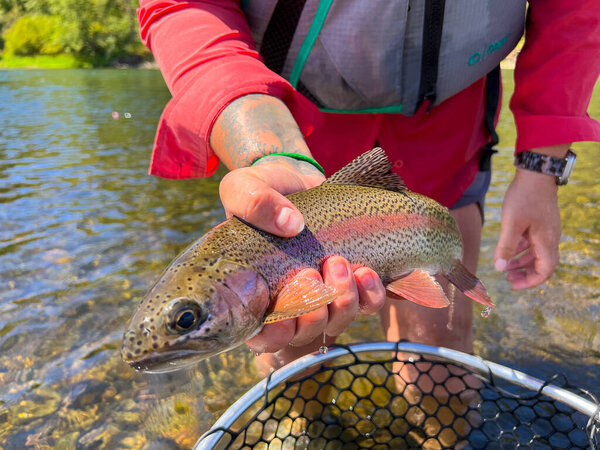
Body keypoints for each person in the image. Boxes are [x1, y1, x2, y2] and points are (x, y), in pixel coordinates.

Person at [136, 0, 600, 374]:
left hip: (445, 135)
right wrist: (265, 148)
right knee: (291, 362)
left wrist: (542, 166)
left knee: (438, 368)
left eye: (186, 320)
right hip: (295, 128)